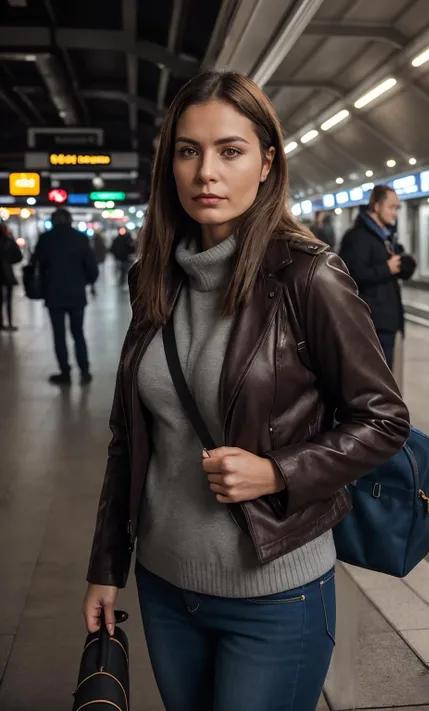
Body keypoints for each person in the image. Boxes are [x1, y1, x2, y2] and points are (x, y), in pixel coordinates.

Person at [83, 71, 410, 711]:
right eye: (188, 150)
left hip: (275, 591)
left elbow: (384, 419)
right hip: (164, 585)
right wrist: (106, 567)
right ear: (169, 165)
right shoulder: (152, 279)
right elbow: (129, 437)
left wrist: (279, 471)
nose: (207, 171)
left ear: (266, 163)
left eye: (230, 150)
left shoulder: (308, 275)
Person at [339, 185, 416, 370]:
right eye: (391, 207)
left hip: (386, 319)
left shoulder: (386, 236)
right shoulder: (357, 237)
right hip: (370, 321)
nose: (395, 213)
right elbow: (350, 276)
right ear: (377, 205)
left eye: (397, 208)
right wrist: (386, 269)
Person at [32, 208, 98, 385]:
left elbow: (36, 264)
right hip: (76, 294)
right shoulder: (80, 238)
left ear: (53, 221)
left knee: (59, 335)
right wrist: (86, 281)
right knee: (78, 333)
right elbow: (92, 267)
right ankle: (84, 371)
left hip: (54, 294)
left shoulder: (45, 239)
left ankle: (65, 373)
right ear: (70, 220)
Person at [0, 221, 22, 331]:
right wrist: (8, 261)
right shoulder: (9, 241)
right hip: (7, 273)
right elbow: (19, 256)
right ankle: (9, 323)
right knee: (8, 300)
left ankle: (1, 323)